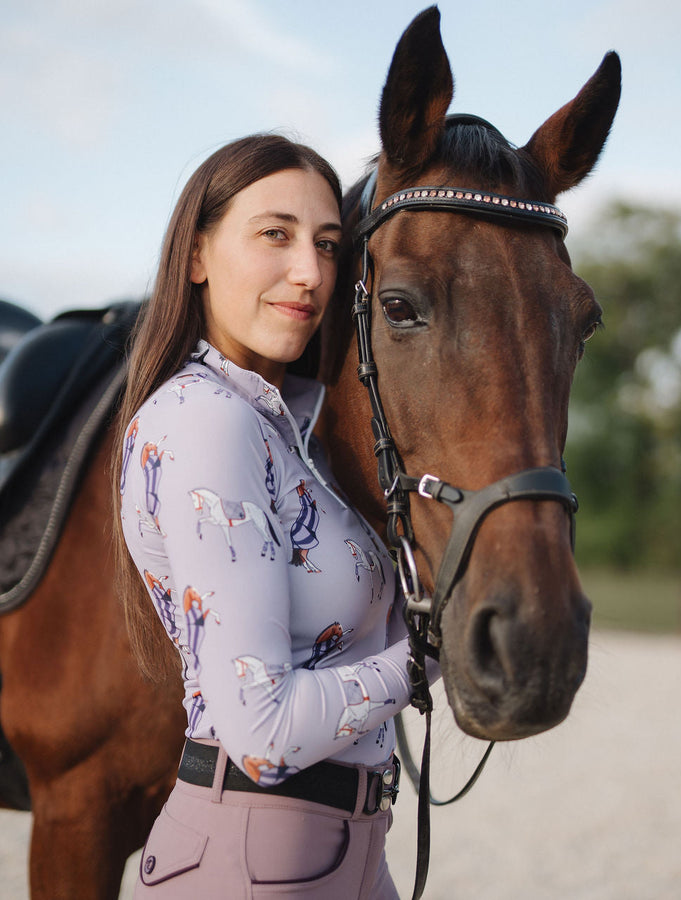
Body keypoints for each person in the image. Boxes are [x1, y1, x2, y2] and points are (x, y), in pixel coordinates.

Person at [112, 134, 436, 899]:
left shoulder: (290, 431)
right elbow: (264, 732)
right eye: (275, 234)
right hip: (255, 857)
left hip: (345, 849)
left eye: (328, 245)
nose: (310, 273)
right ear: (196, 254)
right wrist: (432, 655)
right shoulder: (205, 422)